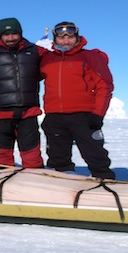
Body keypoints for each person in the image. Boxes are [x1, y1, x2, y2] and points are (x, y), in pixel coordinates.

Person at [40, 21, 115, 179]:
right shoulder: (48, 59)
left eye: (70, 37)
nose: (66, 41)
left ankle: (104, 180)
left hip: (84, 116)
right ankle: (63, 181)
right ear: (55, 39)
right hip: (55, 116)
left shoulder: (89, 57)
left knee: (94, 154)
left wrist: (98, 114)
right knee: (57, 157)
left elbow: (104, 86)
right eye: (61, 38)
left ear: (77, 37)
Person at [0, 18, 45, 169]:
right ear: (0, 35)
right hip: (0, 112)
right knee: (2, 153)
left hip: (28, 111)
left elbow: (51, 65)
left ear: (20, 33)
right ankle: (3, 178)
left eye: (14, 34)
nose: (10, 38)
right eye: (6, 34)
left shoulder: (35, 51)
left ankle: (34, 178)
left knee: (32, 152)